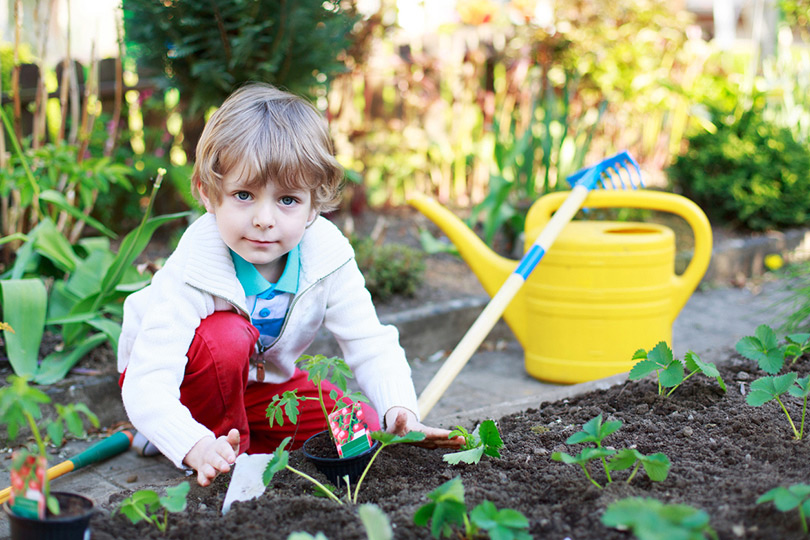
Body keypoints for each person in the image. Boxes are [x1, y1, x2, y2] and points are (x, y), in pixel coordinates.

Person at [118, 82, 462, 487]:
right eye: (244, 195)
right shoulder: (196, 264)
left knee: (360, 430)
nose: (265, 219)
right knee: (227, 336)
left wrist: (399, 410)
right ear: (209, 195)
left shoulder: (327, 254)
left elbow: (369, 341)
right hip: (179, 381)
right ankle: (210, 448)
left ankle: (241, 434)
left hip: (263, 385)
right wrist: (191, 443)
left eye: (287, 201)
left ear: (314, 203)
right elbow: (149, 381)